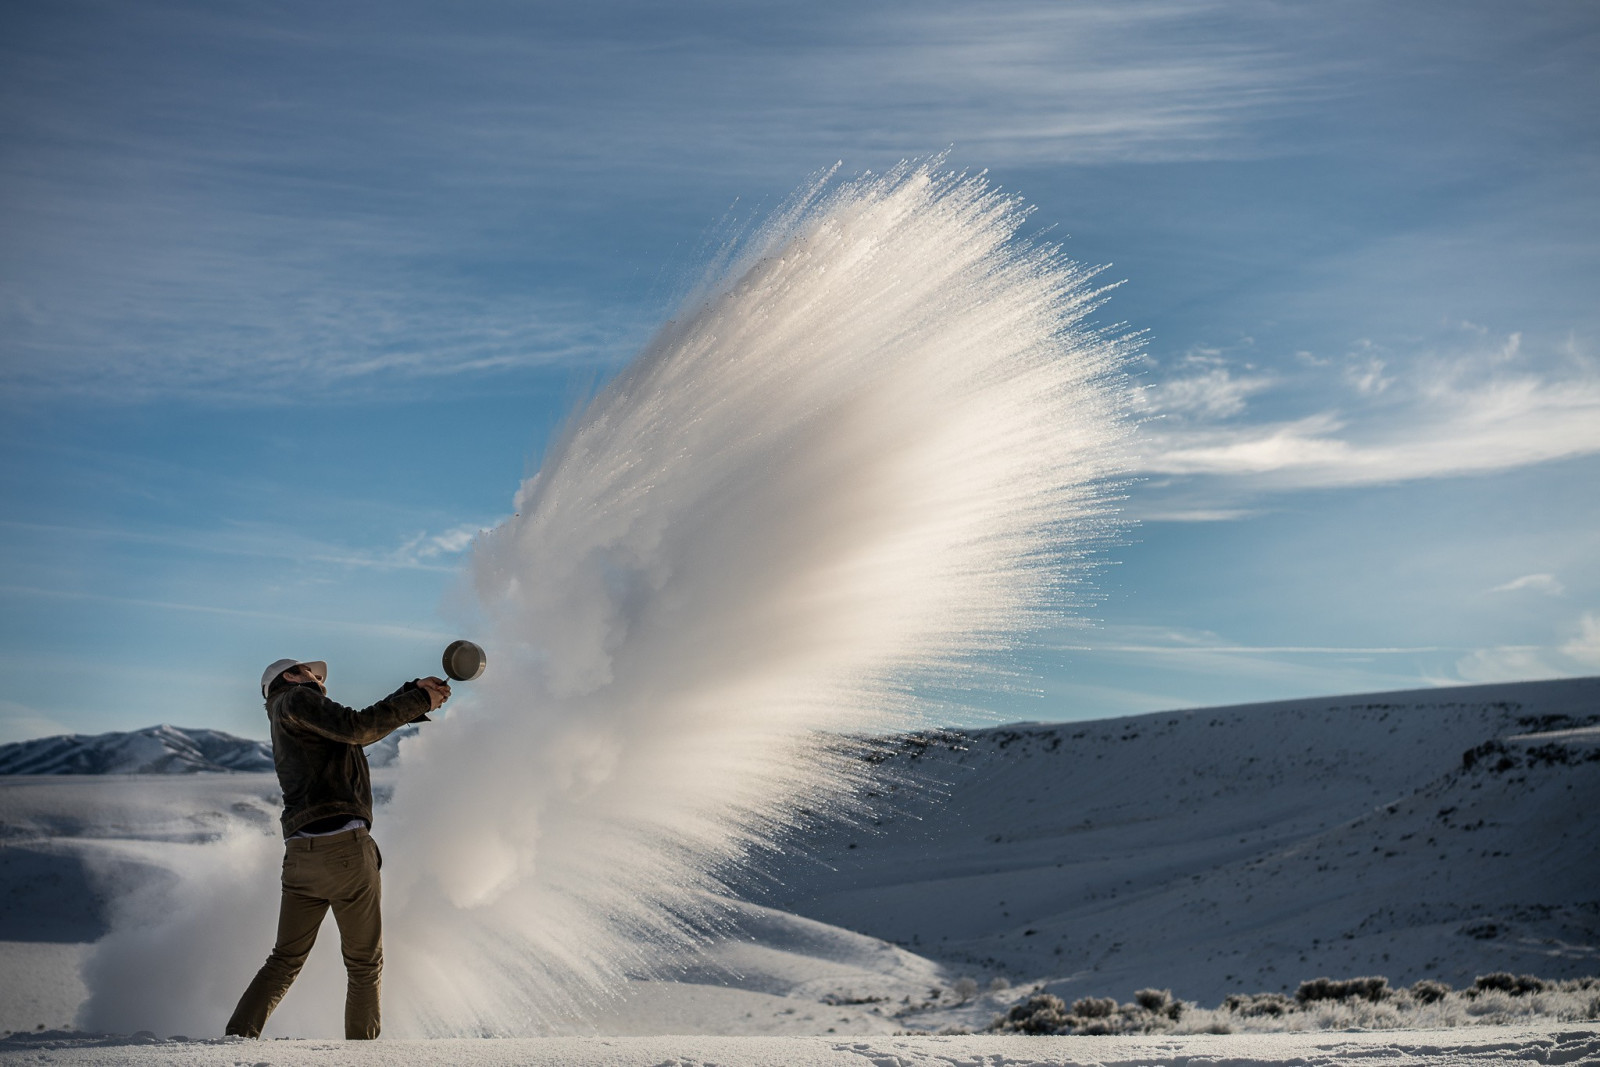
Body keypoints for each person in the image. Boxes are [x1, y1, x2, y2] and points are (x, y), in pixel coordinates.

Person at [225, 658, 448, 1040]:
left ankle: (235, 1042)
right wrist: (419, 700)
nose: (319, 680)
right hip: (343, 849)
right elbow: (358, 727)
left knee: (283, 960)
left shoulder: (287, 716)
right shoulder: (297, 698)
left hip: (300, 856)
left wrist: (413, 691)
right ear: (290, 677)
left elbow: (350, 728)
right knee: (364, 964)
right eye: (311, 672)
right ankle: (361, 1056)